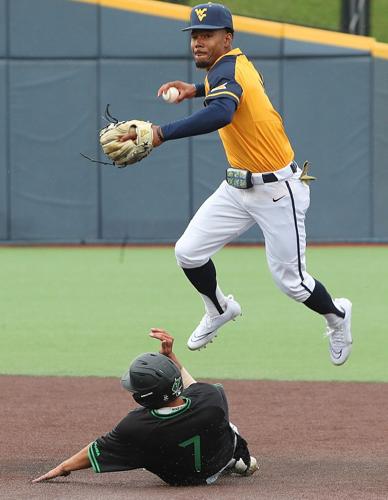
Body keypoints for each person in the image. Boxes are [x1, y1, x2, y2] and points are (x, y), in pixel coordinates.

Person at [119, 2, 352, 365]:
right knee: (188, 252)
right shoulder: (226, 67)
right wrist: (194, 90)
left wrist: (162, 132)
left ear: (227, 38)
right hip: (237, 188)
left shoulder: (228, 68)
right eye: (195, 35)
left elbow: (222, 112)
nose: (198, 42)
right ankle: (219, 309)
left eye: (207, 35)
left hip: (277, 191)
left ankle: (337, 316)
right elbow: (222, 90)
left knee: (291, 282)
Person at [32, 329, 258, 487]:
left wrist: (63, 467)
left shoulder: (136, 426)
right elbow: (193, 387)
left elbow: (96, 450)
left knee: (140, 446)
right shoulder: (211, 396)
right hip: (217, 460)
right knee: (224, 424)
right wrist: (171, 358)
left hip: (180, 480)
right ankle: (235, 461)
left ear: (143, 397)